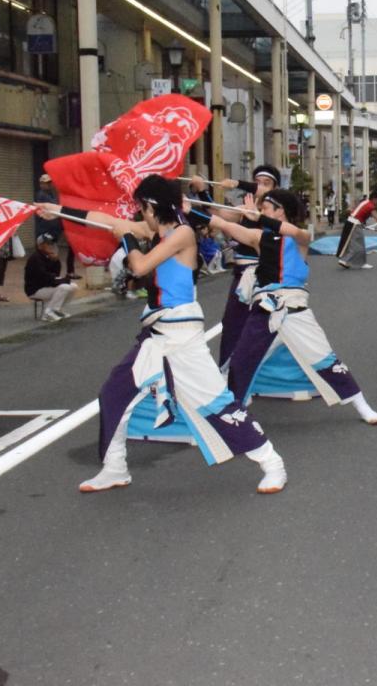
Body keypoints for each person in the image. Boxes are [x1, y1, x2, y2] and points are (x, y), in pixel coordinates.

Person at [37, 176, 288, 495]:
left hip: (181, 333)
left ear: (152, 206)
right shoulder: (156, 230)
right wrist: (57, 210)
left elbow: (139, 267)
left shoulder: (181, 233)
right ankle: (114, 468)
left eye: (142, 209)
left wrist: (127, 239)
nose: (139, 215)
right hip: (155, 333)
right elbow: (109, 221)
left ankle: (272, 463)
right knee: (113, 393)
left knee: (216, 403)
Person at [208, 189, 377, 424]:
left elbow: (293, 232)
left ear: (280, 210)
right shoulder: (259, 237)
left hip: (295, 310)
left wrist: (257, 217)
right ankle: (233, 414)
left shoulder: (299, 236)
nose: (260, 211)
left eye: (265, 208)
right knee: (240, 362)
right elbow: (222, 224)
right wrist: (187, 210)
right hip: (264, 310)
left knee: (325, 359)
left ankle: (363, 407)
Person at [191, 165, 279, 368]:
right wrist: (203, 190)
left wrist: (237, 183)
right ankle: (230, 370)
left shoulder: (278, 213)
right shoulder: (243, 210)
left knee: (267, 325)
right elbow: (216, 215)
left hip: (266, 276)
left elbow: (268, 199)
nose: (261, 187)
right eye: (257, 182)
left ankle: (259, 373)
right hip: (242, 275)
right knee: (232, 322)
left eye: (267, 183)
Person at [24, 232, 77, 322]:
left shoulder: (48, 256)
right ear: (40, 245)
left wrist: (56, 261)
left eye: (51, 243)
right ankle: (47, 313)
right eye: (48, 243)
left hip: (46, 285)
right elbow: (44, 277)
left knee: (73, 286)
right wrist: (62, 281)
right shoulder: (35, 258)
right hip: (35, 289)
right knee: (65, 287)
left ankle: (57, 310)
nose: (51, 245)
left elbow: (55, 274)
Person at [337, 189, 377, 269]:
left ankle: (354, 261)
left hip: (350, 222)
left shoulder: (365, 202)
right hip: (355, 224)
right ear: (374, 198)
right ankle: (346, 260)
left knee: (354, 244)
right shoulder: (370, 206)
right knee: (358, 245)